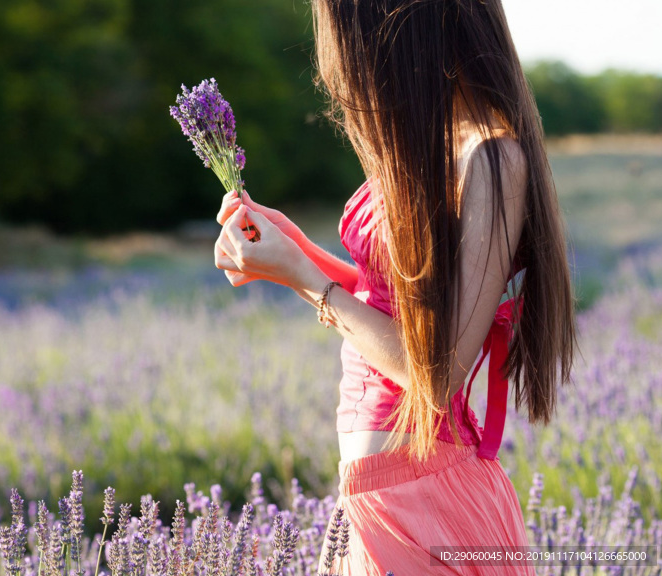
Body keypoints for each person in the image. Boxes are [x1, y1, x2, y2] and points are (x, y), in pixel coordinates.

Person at [212, 0, 577, 574]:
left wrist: (302, 277)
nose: (343, 70)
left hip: (424, 502)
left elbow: (437, 373)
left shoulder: (491, 156)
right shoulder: (426, 146)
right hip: (371, 497)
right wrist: (291, 254)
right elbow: (388, 303)